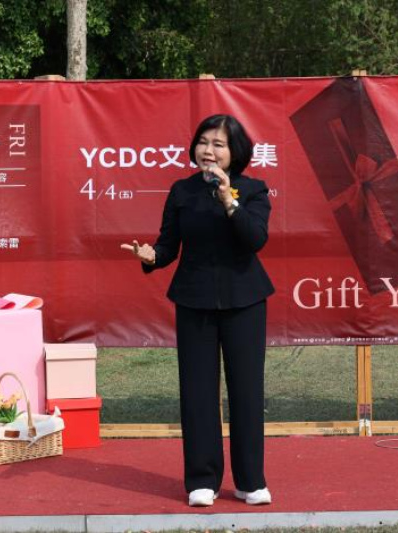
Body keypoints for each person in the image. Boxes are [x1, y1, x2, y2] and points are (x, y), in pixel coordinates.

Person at [121, 114, 275, 507]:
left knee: (246, 391)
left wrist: (229, 201)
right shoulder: (182, 191)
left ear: (234, 152)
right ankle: (202, 480)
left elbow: (255, 239)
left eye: (218, 144)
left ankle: (250, 481)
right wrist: (151, 256)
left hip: (245, 301)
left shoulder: (253, 190)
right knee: (197, 391)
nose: (208, 150)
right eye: (203, 142)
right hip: (194, 300)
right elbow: (168, 245)